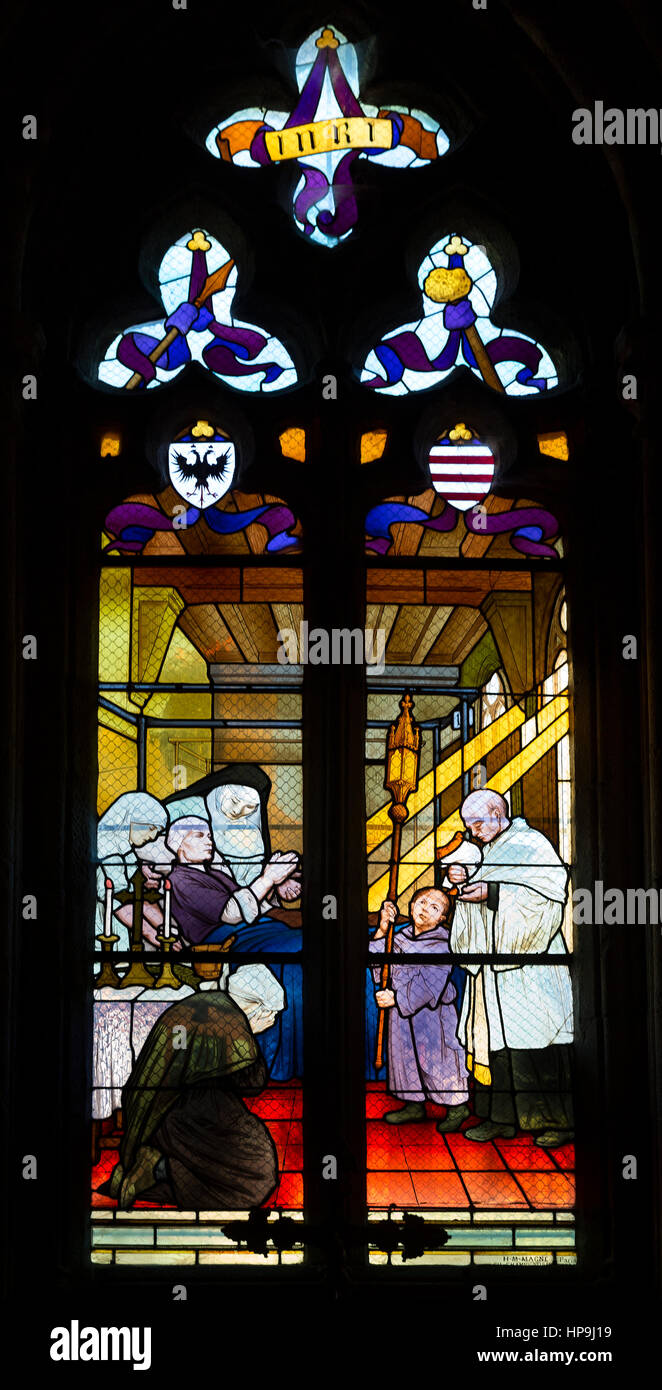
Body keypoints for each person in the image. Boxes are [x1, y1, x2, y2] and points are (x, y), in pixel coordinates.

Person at [451, 789, 573, 1148]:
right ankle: (500, 1118)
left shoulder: (530, 843)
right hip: (494, 971)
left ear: (497, 813)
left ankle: (558, 1121)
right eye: (468, 824)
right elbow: (483, 896)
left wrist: (492, 893)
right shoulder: (491, 851)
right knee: (497, 1045)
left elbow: (549, 896)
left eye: (477, 822)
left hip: (530, 970)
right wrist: (465, 883)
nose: (472, 831)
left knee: (538, 1043)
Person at [108, 983, 278, 1211]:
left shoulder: (201, 1005)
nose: (273, 1021)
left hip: (158, 1117)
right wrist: (250, 1034)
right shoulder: (233, 1022)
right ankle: (160, 1168)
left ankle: (146, 1168)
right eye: (271, 1014)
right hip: (195, 1120)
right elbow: (252, 1083)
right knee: (259, 1173)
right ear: (255, 1007)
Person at [165, 817, 303, 1080]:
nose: (209, 841)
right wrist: (268, 877)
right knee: (299, 950)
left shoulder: (214, 874)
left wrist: (277, 887)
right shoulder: (181, 879)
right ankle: (283, 1062)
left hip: (259, 932)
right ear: (178, 845)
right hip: (233, 943)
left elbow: (251, 906)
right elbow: (231, 913)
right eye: (199, 835)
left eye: (209, 835)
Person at [369, 888, 471, 1132]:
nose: (425, 909)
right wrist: (383, 929)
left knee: (439, 1060)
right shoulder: (399, 936)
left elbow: (431, 983)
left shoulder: (443, 944)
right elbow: (377, 963)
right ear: (411, 904)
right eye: (421, 902)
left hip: (433, 1017)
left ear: (442, 919)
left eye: (434, 908)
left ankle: (457, 1106)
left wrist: (396, 998)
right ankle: (413, 1103)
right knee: (406, 1060)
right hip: (402, 1018)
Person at [96, 791, 168, 951]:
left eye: (158, 830)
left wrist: (165, 927)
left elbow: (135, 897)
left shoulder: (125, 850)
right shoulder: (107, 849)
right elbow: (119, 902)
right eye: (151, 827)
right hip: (103, 924)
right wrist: (151, 934)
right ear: (128, 818)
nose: (154, 836)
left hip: (119, 924)